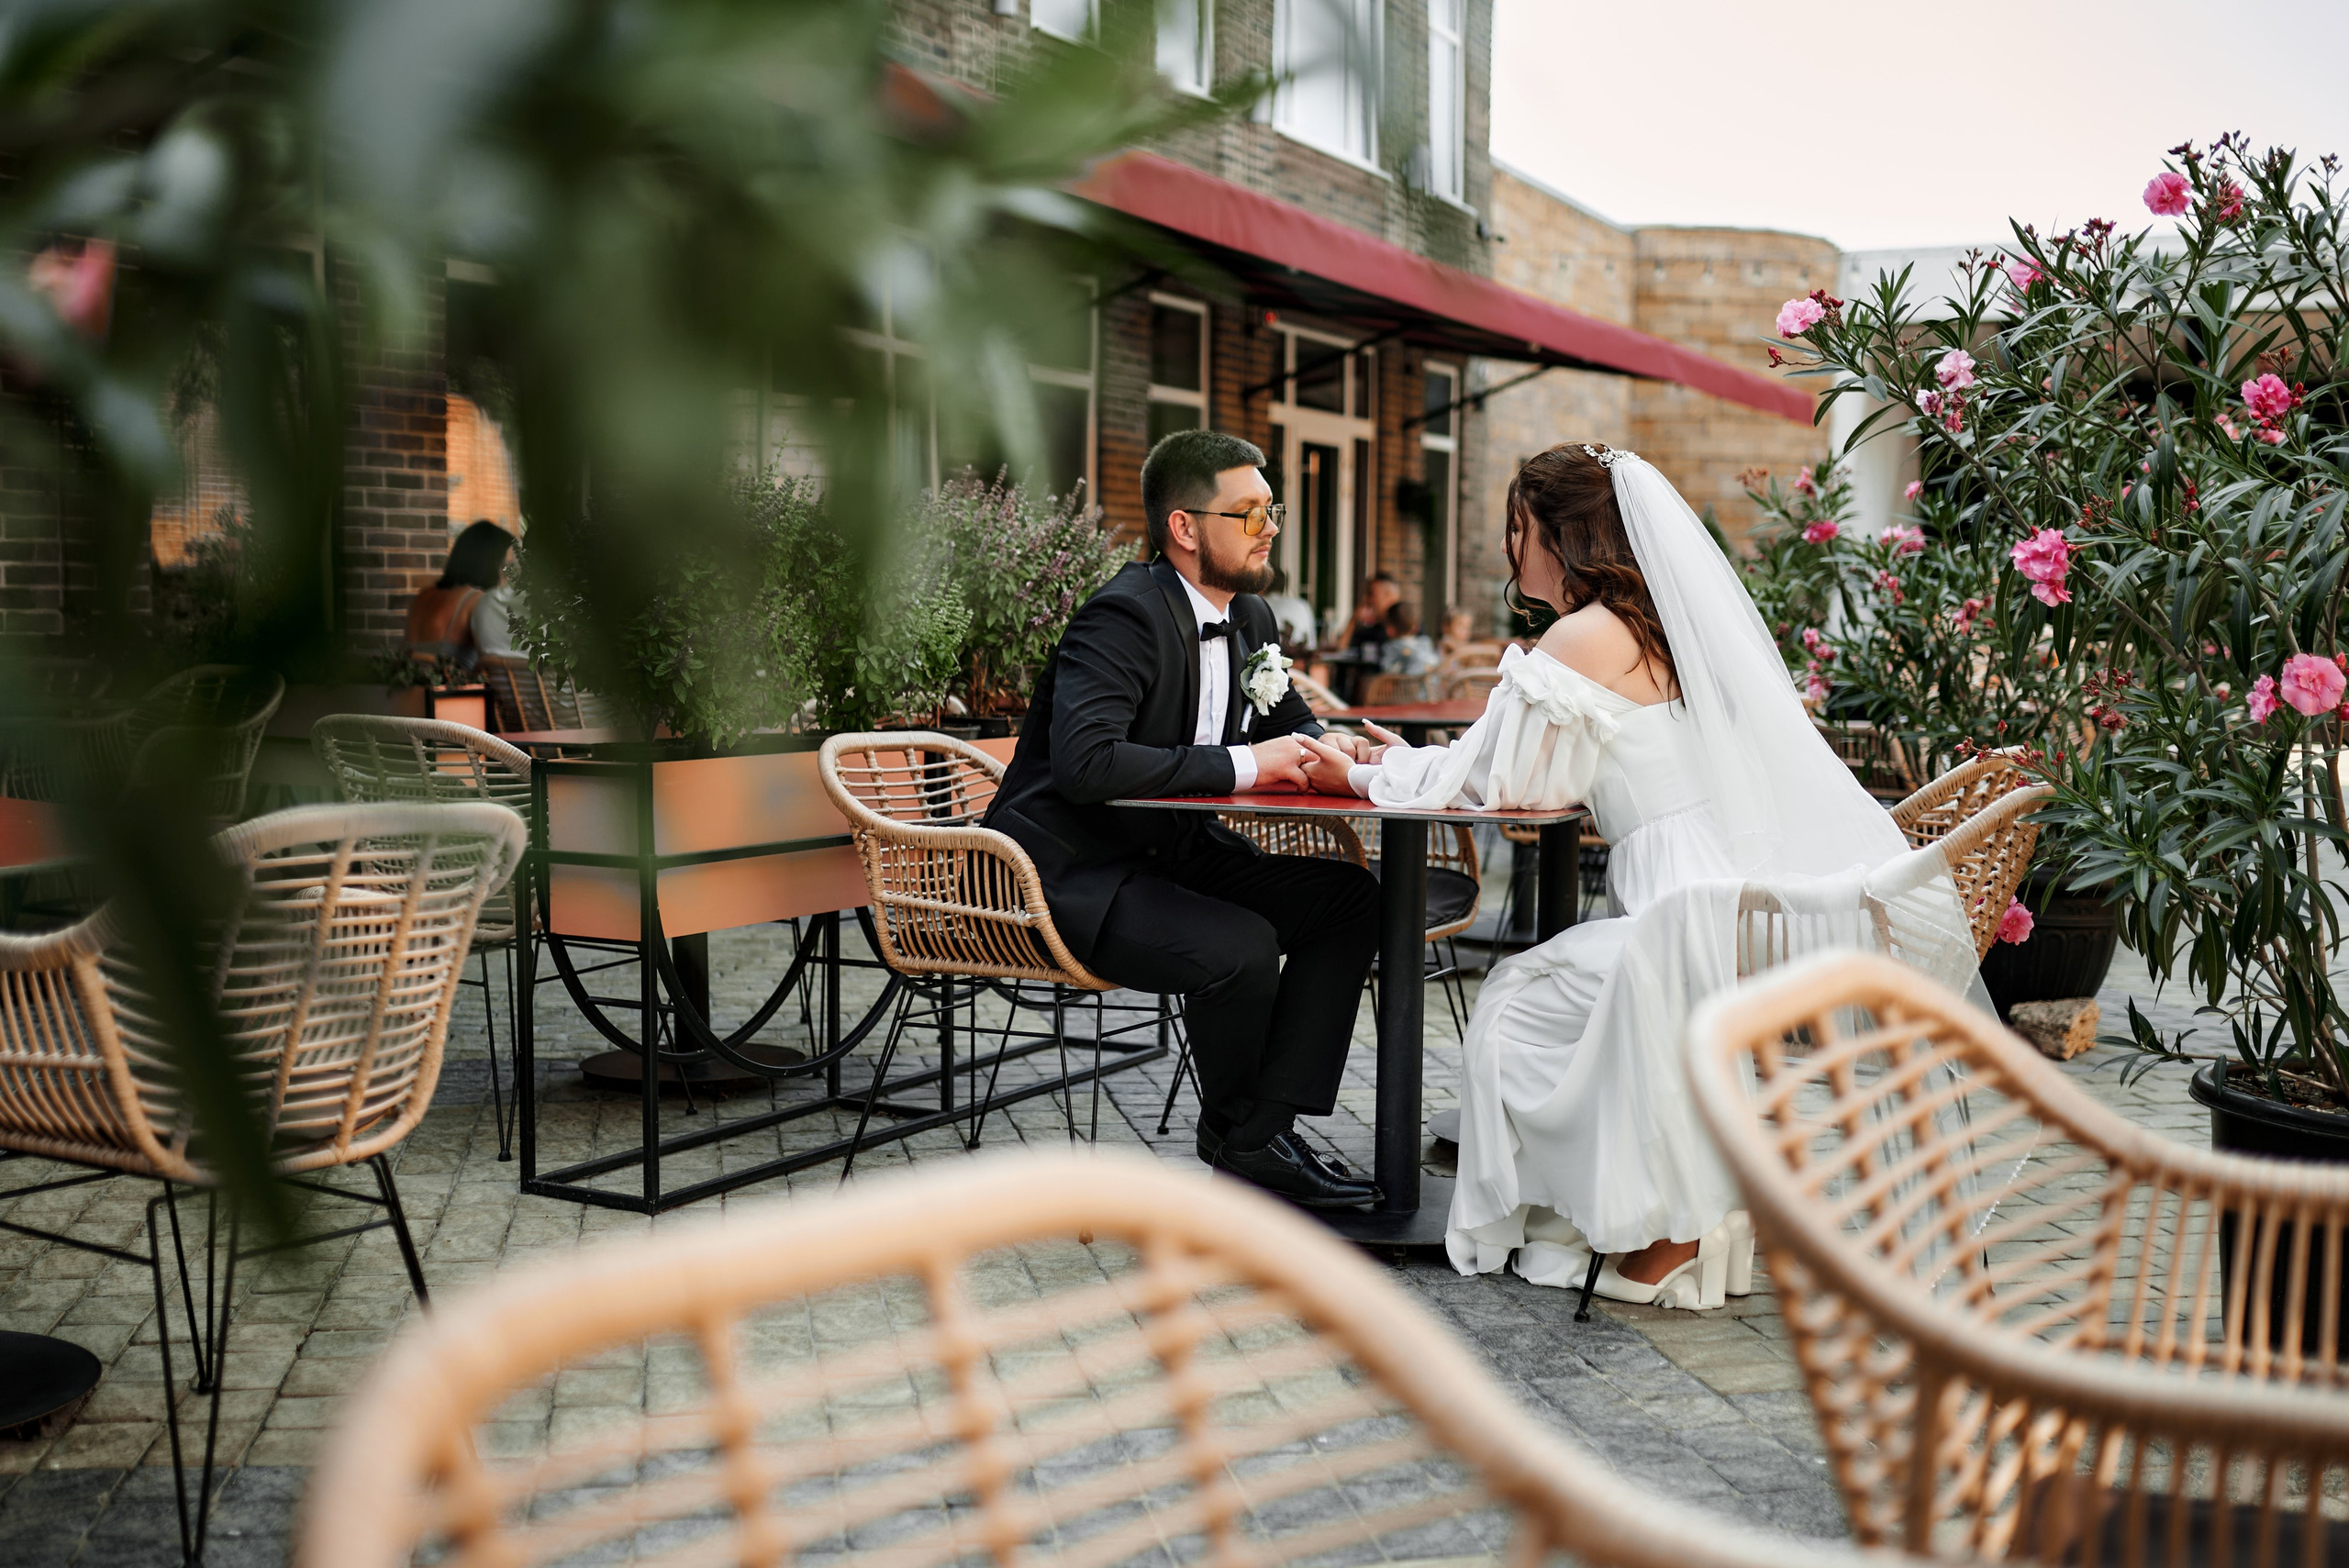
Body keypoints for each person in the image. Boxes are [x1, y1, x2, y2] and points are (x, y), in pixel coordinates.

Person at [1296, 444, 1977, 1307]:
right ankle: (1655, 1206)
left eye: (1519, 526)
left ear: (1561, 534)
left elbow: (1515, 790)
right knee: (1547, 993)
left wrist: (1355, 777)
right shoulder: (1656, 627)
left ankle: (1664, 1217)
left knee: (1516, 998)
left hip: (1681, 914)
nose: (1512, 548)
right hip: (1733, 896)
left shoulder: (1579, 636)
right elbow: (1509, 764)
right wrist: (1410, 762)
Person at [985, 429, 1386, 1209]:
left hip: (1178, 849)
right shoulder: (1122, 616)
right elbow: (1087, 763)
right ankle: (1246, 1141)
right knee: (1240, 944)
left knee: (1350, 901)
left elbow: (1291, 726)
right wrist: (1249, 764)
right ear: (1184, 527)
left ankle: (1256, 1133)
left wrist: (1326, 744)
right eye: (1249, 512)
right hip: (1076, 869)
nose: (1270, 526)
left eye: (1272, 509)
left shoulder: (1252, 620)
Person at [405, 520, 516, 671]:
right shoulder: (476, 600)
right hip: (452, 693)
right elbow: (500, 656)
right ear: (490, 563)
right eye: (505, 565)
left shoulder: (422, 596)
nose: (507, 576)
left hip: (406, 690)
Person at [1262, 565, 1318, 656]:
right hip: (1303, 665)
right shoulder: (1303, 605)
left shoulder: (1259, 605)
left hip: (1272, 666)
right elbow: (1311, 646)